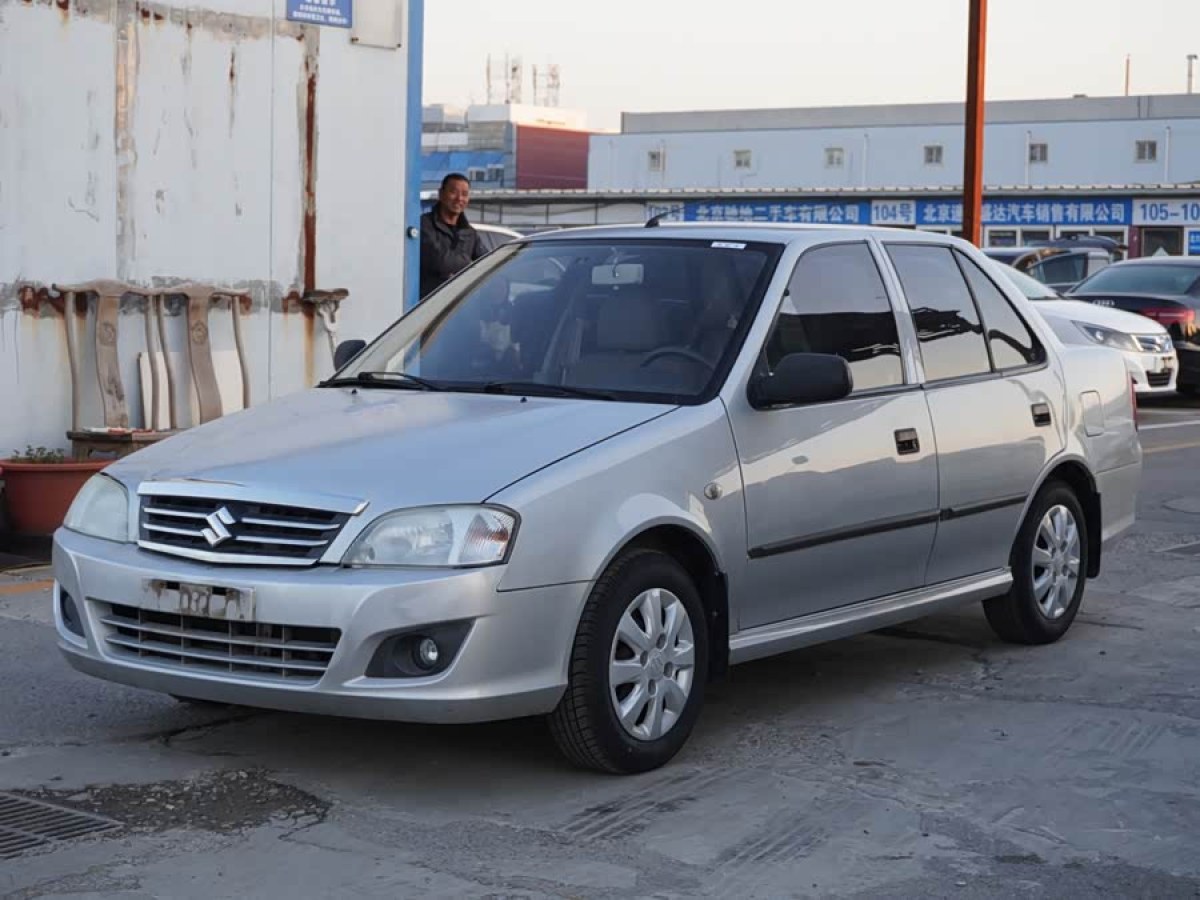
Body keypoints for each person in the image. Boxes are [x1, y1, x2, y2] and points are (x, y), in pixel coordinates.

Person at [420, 173, 486, 298]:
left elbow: (486, 264)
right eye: (453, 192)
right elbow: (441, 261)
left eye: (465, 194)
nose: (459, 198)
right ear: (441, 194)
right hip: (430, 303)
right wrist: (469, 263)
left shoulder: (470, 233)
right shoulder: (424, 225)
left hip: (459, 304)